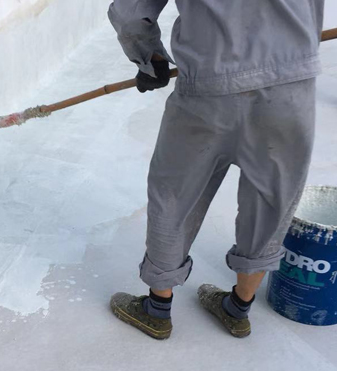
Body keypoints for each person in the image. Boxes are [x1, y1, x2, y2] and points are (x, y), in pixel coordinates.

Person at [107, 0, 326, 339]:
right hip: (290, 86)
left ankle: (157, 309)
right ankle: (238, 308)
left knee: (175, 194)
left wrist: (150, 59)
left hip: (207, 88)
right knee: (271, 200)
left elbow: (130, 12)